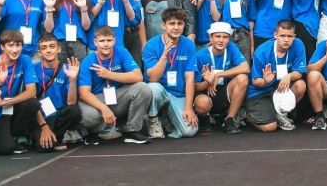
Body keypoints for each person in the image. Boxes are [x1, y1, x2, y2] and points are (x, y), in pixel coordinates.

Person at [77, 26, 153, 144]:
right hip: (98, 99)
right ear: (95, 42)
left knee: (143, 88)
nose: (105, 44)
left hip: (118, 97)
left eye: (109, 40)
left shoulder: (121, 51)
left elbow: (138, 77)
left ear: (114, 41)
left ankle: (132, 130)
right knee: (89, 116)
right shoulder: (88, 61)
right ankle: (93, 133)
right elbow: (84, 93)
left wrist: (109, 74)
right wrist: (104, 109)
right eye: (102, 41)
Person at [141, 8, 201, 138]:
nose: (176, 27)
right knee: (153, 88)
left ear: (184, 25)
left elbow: (190, 78)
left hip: (178, 94)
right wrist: (164, 56)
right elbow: (153, 78)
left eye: (180, 23)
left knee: (189, 131)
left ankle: (167, 118)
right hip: (159, 90)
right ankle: (152, 118)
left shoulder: (189, 44)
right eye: (172, 23)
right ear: (163, 25)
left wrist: (188, 107)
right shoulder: (151, 45)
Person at [0, 28, 36, 154]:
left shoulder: (25, 60)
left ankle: (17, 135)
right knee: (6, 148)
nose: (15, 50)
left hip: (11, 105)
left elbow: (31, 92)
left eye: (18, 45)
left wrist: (6, 102)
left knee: (33, 103)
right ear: (2, 47)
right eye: (10, 45)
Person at [28, 34, 85, 150]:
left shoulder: (68, 69)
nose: (48, 50)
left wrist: (72, 80)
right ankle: (45, 136)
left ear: (58, 49)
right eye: (44, 48)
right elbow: (31, 101)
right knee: (44, 148)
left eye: (52, 46)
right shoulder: (32, 69)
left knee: (74, 110)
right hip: (40, 116)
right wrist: (44, 126)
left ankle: (57, 137)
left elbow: (71, 102)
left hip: (59, 114)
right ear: (39, 53)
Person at [194, 21, 251, 132]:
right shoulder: (200, 55)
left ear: (229, 39)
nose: (221, 40)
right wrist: (208, 82)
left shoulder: (231, 47)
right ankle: (204, 117)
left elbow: (246, 68)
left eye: (225, 37)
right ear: (210, 38)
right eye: (217, 36)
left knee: (243, 78)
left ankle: (229, 119)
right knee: (203, 103)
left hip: (223, 91)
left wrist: (218, 75)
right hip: (205, 92)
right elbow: (194, 87)